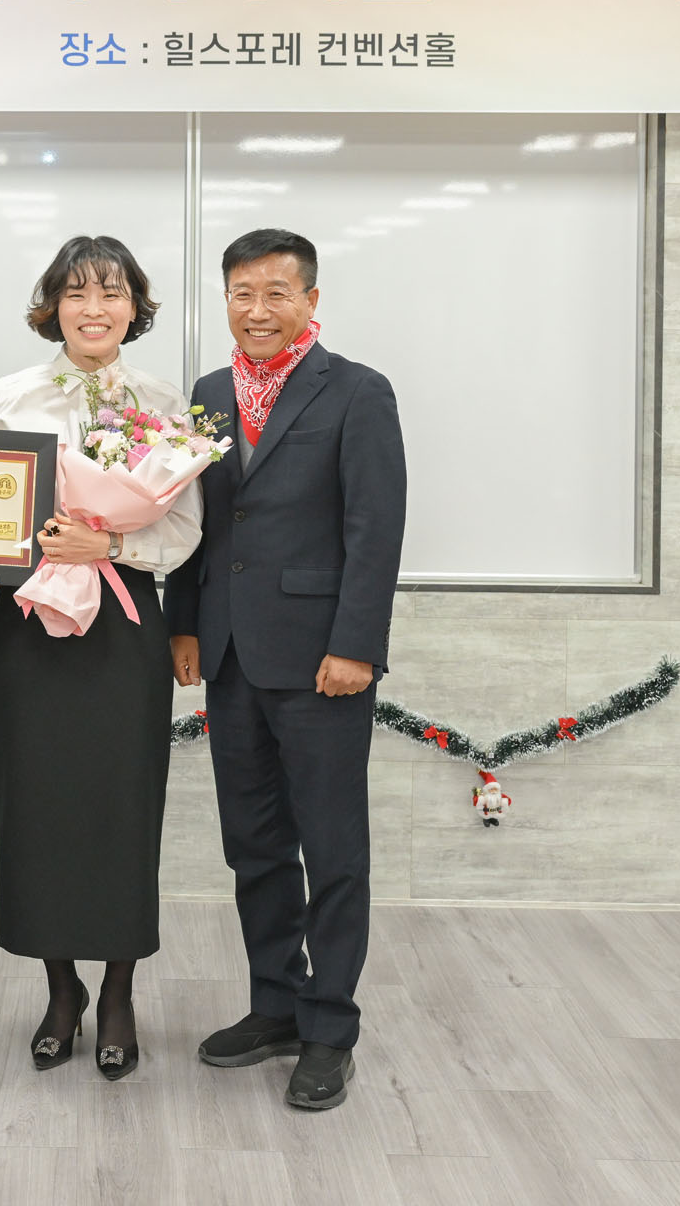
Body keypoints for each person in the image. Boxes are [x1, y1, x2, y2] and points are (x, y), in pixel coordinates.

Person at [163, 227, 407, 1112]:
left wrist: (357, 645)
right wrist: (183, 626)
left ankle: (329, 1027)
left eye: (276, 293)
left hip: (321, 660)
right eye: (242, 294)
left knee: (332, 848)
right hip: (230, 652)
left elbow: (375, 529)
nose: (258, 310)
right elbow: (195, 521)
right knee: (255, 845)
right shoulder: (208, 393)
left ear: (310, 300)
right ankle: (274, 1005)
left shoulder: (358, 391)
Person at [0, 235, 202, 1082]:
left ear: (135, 307)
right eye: (75, 293)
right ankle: (61, 990)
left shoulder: (165, 403)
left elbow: (185, 528)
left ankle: (120, 991)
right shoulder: (10, 396)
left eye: (111, 293)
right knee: (37, 806)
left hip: (125, 626)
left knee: (123, 808)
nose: (93, 309)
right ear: (52, 307)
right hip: (31, 626)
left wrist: (112, 542)